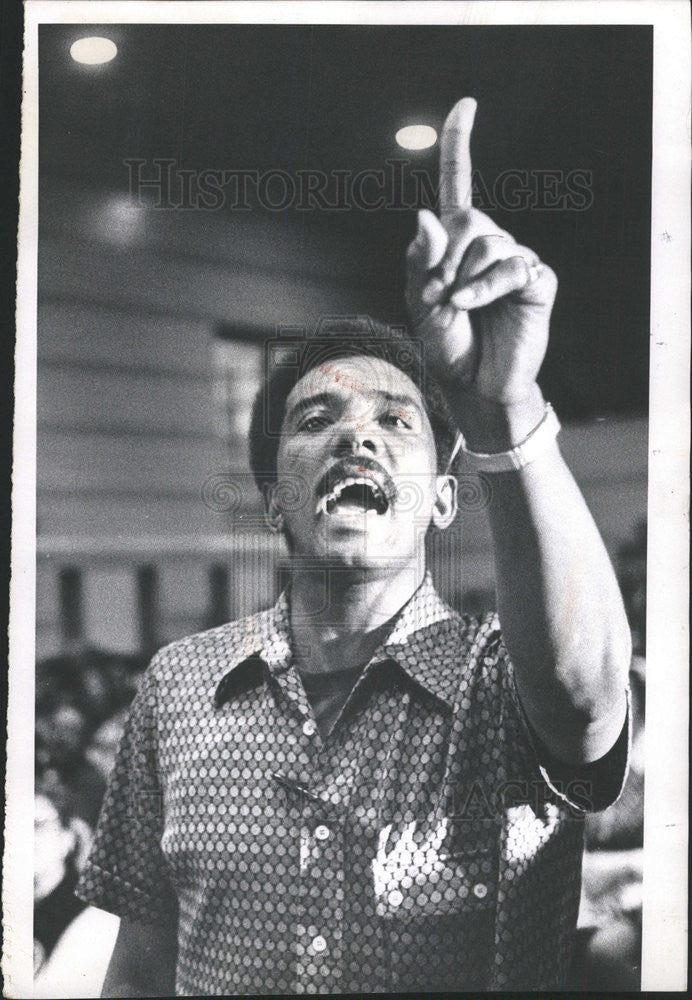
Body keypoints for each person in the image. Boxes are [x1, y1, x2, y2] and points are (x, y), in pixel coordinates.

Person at [75, 98, 632, 994]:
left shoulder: (500, 687)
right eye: (317, 419)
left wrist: (501, 407)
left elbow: (581, 693)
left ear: (444, 500)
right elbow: (140, 973)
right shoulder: (176, 687)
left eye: (396, 422)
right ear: (273, 504)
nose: (356, 439)